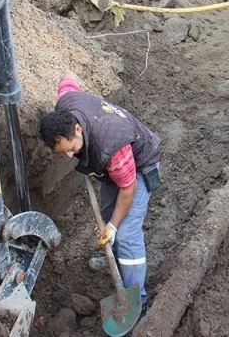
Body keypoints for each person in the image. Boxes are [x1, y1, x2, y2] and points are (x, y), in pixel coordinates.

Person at [39, 73, 162, 315]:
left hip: (139, 166)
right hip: (111, 170)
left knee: (125, 233)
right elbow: (68, 80)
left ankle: (138, 300)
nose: (69, 156)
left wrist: (115, 227)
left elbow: (128, 188)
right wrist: (111, 223)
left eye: (72, 149)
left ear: (77, 128)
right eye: (62, 153)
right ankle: (115, 264)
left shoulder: (110, 146)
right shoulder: (66, 105)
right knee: (108, 216)